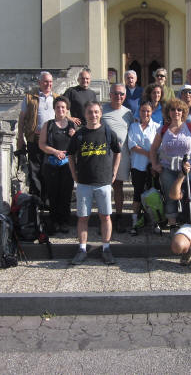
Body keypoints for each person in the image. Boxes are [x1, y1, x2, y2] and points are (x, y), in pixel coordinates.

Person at [67, 101, 121, 265]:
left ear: (101, 113)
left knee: (105, 216)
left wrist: (114, 172)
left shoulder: (107, 132)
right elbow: (70, 155)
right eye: (90, 112)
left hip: (103, 181)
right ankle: (82, 249)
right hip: (84, 182)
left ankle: (106, 248)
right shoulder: (79, 134)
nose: (93, 115)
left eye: (96, 112)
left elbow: (118, 152)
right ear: (85, 114)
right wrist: (74, 173)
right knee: (83, 217)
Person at [150, 98, 191, 228]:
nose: (176, 112)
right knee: (170, 197)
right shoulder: (162, 129)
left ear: (183, 112)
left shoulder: (190, 127)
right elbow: (153, 149)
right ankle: (172, 223)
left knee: (187, 196)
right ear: (168, 112)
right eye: (173, 109)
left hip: (187, 169)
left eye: (179, 110)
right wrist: (155, 165)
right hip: (168, 169)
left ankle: (186, 222)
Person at [38, 96, 76, 233]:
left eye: (63, 107)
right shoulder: (48, 125)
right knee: (53, 194)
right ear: (54, 109)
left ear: (67, 110)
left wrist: (75, 136)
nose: (61, 110)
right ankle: (53, 221)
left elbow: (78, 146)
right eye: (58, 107)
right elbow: (41, 144)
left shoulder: (73, 126)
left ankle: (64, 221)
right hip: (51, 164)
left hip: (68, 165)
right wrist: (55, 152)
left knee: (66, 195)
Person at [17, 71, 57, 198]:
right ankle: (37, 199)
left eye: (50, 82)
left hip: (51, 140)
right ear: (39, 82)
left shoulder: (56, 98)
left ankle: (47, 199)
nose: (48, 84)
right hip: (34, 138)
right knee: (35, 170)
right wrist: (20, 136)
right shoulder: (29, 97)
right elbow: (22, 118)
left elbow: (65, 116)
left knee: (49, 170)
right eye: (45, 81)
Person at [102, 83, 134, 232]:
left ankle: (119, 216)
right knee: (104, 187)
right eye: (115, 93)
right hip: (104, 156)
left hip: (122, 157)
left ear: (125, 96)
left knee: (119, 186)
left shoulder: (128, 113)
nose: (118, 96)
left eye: (121, 94)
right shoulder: (101, 111)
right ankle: (105, 218)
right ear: (110, 95)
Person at [127, 101, 159, 233]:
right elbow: (132, 145)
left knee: (154, 194)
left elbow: (158, 147)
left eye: (148, 111)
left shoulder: (157, 127)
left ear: (151, 113)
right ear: (139, 112)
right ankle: (135, 221)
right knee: (137, 193)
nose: (145, 114)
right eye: (142, 111)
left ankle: (155, 221)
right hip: (137, 165)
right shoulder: (133, 127)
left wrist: (153, 159)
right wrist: (149, 153)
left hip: (152, 166)